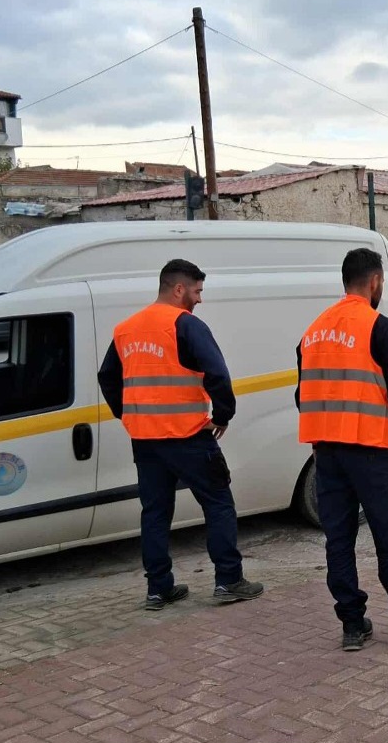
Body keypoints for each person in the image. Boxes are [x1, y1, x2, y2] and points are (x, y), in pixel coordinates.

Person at [296, 248, 388, 651]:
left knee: (339, 540)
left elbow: (302, 395)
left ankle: (352, 626)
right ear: (376, 281)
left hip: (326, 454)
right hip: (373, 451)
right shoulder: (379, 328)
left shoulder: (312, 332)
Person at [98, 259, 265, 611]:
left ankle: (158, 589)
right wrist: (223, 415)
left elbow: (107, 377)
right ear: (178, 289)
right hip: (189, 436)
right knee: (219, 503)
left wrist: (127, 414)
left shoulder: (126, 329)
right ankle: (228, 581)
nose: (199, 299)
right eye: (197, 291)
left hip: (145, 439)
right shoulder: (185, 325)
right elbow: (217, 372)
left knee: (155, 513)